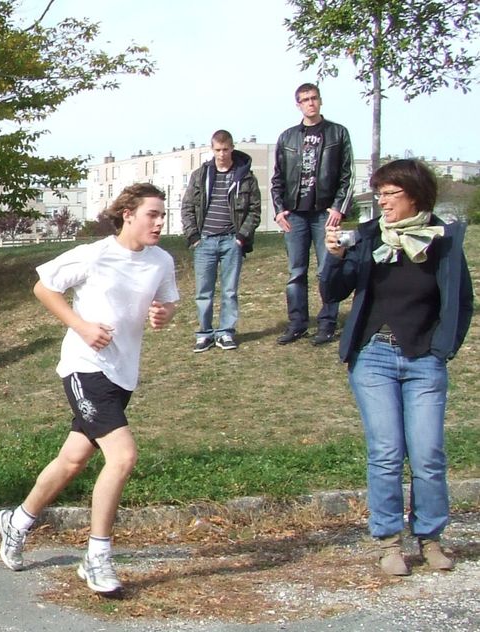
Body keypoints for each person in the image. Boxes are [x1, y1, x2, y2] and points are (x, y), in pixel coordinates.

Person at [0, 183, 179, 595]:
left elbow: (167, 305)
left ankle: (16, 522)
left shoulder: (161, 261)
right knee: (123, 456)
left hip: (122, 374)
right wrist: (82, 326)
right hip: (84, 368)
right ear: (128, 214)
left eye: (163, 215)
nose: (160, 222)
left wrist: (163, 314)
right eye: (153, 214)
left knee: (72, 460)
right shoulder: (96, 254)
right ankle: (97, 557)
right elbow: (44, 287)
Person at [321, 159, 473, 576]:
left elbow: (461, 303)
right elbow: (334, 291)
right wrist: (335, 257)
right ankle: (389, 541)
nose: (382, 201)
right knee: (386, 452)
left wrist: (443, 349)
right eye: (380, 193)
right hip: (374, 357)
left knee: (427, 454)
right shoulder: (370, 237)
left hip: (424, 359)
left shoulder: (443, 239)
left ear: (416, 196)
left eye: (391, 193)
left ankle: (431, 537)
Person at [271, 82, 353, 346]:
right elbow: (277, 179)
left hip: (324, 214)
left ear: (320, 101)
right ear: (298, 104)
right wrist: (278, 210)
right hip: (295, 214)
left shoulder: (338, 133)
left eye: (314, 98)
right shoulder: (287, 138)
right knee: (296, 272)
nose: (310, 103)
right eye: (305, 99)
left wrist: (339, 206)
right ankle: (297, 324)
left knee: (327, 270)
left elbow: (347, 175)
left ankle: (327, 324)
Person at [181, 129, 261, 352]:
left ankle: (226, 332)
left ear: (232, 148)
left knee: (229, 291)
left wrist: (241, 238)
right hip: (204, 241)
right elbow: (187, 207)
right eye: (218, 150)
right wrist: (194, 236)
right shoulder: (200, 175)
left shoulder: (245, 176)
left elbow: (255, 211)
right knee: (203, 292)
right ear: (212, 149)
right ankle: (204, 334)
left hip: (231, 242)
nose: (222, 154)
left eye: (226, 150)